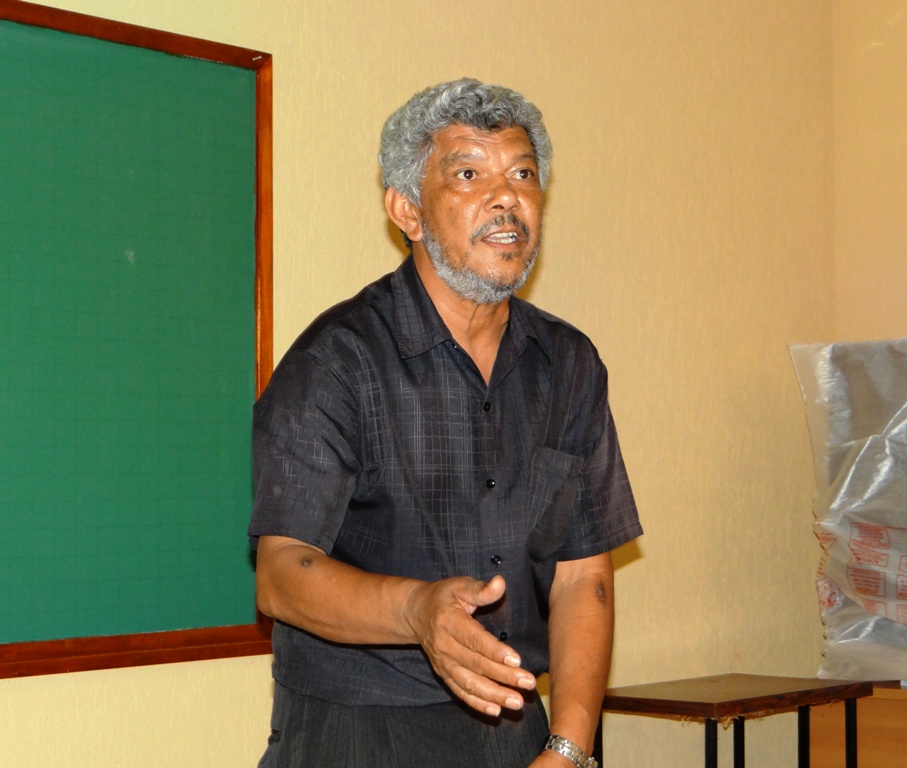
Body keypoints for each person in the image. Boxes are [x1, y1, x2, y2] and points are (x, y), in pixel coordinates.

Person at [249, 77, 642, 768]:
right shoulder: (337, 361)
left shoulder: (569, 364)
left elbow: (585, 577)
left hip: (519, 731)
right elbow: (282, 575)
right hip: (356, 734)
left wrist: (570, 748)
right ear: (407, 209)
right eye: (468, 174)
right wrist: (417, 612)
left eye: (522, 173)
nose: (506, 197)